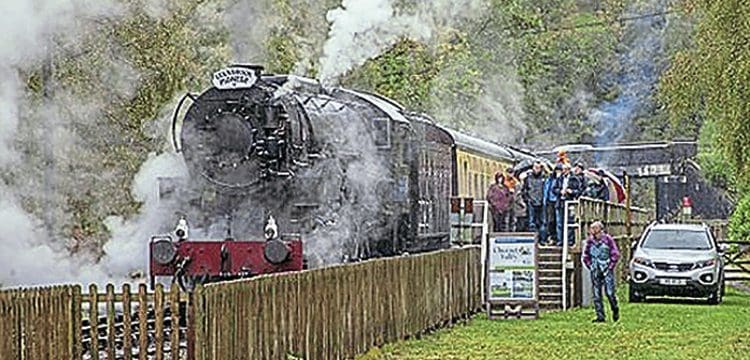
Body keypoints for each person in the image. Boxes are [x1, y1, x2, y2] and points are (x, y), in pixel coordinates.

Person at [583, 221, 620, 322]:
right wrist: (590, 265)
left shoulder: (608, 240)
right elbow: (586, 255)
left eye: (595, 229)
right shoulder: (590, 242)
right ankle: (600, 316)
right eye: (592, 229)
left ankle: (615, 309)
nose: (593, 232)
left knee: (610, 293)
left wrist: (611, 265)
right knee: (596, 294)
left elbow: (615, 254)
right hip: (595, 269)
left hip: (606, 269)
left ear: (600, 230)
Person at [553, 163, 585, 246]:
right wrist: (560, 191)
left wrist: (571, 192)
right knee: (559, 223)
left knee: (570, 221)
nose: (563, 171)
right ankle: (560, 240)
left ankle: (569, 240)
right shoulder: (559, 179)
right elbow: (554, 189)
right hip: (560, 202)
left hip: (570, 202)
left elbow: (579, 191)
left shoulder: (575, 179)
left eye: (565, 169)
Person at [523, 161, 546, 241]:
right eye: (535, 167)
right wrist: (527, 199)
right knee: (531, 222)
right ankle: (534, 240)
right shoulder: (527, 178)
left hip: (542, 202)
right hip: (531, 202)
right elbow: (524, 190)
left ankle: (542, 240)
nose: (537, 169)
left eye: (538, 167)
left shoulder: (544, 178)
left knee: (542, 222)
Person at [543, 164, 562, 244]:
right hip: (550, 200)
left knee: (558, 221)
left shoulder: (561, 179)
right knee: (550, 220)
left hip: (558, 200)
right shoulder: (550, 179)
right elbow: (547, 189)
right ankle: (551, 236)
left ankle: (558, 238)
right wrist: (545, 199)